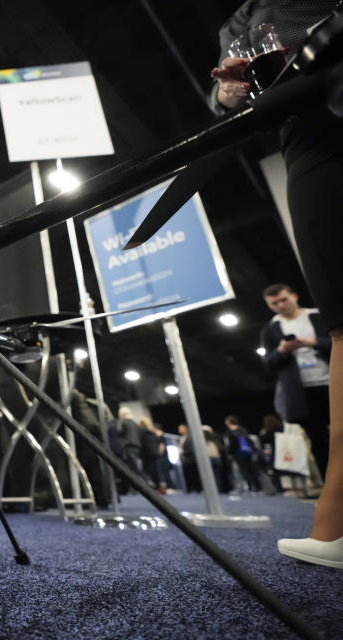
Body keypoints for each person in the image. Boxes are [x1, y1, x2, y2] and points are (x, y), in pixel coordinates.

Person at [211, 1, 343, 567]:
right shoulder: (240, 22)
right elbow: (223, 89)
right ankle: (332, 517)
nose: (284, 301)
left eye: (284, 297)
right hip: (308, 136)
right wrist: (227, 95)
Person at [259, 284, 331, 478]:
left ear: (294, 296)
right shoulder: (270, 330)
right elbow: (268, 364)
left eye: (284, 299)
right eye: (275, 303)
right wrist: (282, 350)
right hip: (301, 393)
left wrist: (313, 343)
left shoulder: (318, 316)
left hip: (331, 383)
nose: (281, 305)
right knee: (319, 442)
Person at [223, 415, 261, 493]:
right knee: (250, 470)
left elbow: (232, 444)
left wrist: (230, 453)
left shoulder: (230, 432)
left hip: (238, 453)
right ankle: (255, 487)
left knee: (239, 471)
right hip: (247, 452)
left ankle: (247, 487)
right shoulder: (243, 430)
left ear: (228, 422)